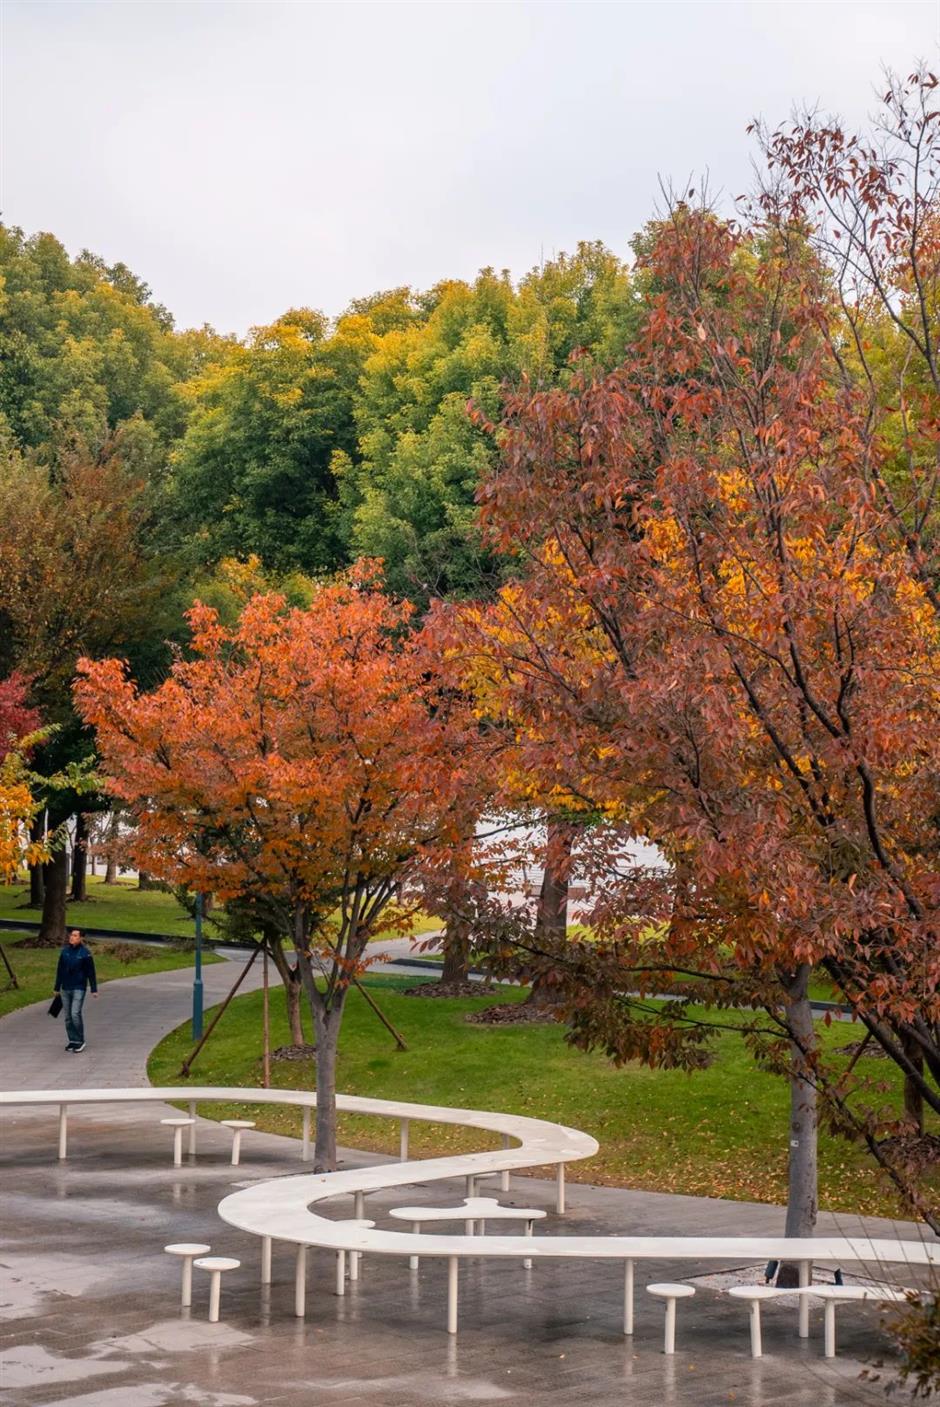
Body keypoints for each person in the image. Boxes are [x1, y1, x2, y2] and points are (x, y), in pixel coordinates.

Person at [54, 928, 98, 1052]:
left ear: (81, 938)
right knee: (68, 1017)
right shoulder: (65, 952)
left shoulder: (85, 954)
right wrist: (57, 987)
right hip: (66, 988)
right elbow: (60, 970)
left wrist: (94, 989)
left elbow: (91, 972)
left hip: (79, 987)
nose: (71, 937)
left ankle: (80, 1040)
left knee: (75, 1014)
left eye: (75, 935)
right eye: (71, 935)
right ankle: (72, 1040)